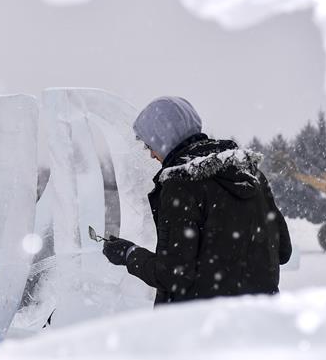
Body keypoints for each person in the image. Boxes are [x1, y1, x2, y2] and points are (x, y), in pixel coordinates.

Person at [101, 96, 292, 305]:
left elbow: (174, 274)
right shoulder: (252, 176)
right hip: (259, 314)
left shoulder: (181, 185)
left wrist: (129, 254)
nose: (152, 155)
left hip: (203, 319)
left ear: (164, 139)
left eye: (150, 146)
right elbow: (283, 251)